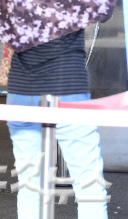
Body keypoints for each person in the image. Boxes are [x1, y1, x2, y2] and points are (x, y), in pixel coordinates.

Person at [6, 30, 108, 218]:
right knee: (89, 185)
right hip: (68, 83)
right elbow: (104, 10)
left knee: (30, 183)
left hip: (21, 88)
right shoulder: (73, 0)